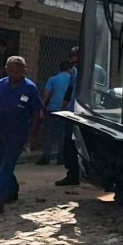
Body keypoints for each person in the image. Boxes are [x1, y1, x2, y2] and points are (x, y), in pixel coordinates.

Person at [0, 56, 44, 214]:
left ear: (24, 71)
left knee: (7, 165)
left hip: (18, 133)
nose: (14, 74)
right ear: (6, 69)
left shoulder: (30, 88)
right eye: (11, 70)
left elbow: (37, 114)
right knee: (1, 165)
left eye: (17, 71)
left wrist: (32, 135)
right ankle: (12, 191)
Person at [37, 61, 73, 165]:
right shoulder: (71, 80)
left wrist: (41, 109)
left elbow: (46, 95)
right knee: (62, 135)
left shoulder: (52, 79)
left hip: (52, 109)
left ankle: (45, 157)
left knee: (48, 134)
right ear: (69, 69)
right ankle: (61, 158)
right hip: (66, 111)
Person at [56, 47, 81, 186]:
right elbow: (69, 90)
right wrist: (62, 109)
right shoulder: (74, 71)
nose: (72, 58)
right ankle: (72, 173)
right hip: (72, 112)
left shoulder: (95, 70)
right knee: (69, 144)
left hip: (85, 113)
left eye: (74, 56)